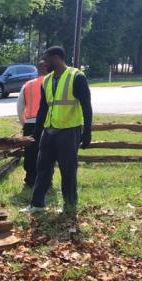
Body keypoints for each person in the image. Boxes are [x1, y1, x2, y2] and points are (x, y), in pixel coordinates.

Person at [21, 46, 93, 214]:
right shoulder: (46, 80)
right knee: (43, 168)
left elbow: (86, 106)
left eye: (47, 59)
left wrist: (87, 131)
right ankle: (37, 204)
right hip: (49, 131)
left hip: (69, 131)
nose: (44, 63)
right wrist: (36, 133)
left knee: (68, 169)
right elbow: (43, 109)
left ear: (56, 58)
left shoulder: (76, 77)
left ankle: (69, 204)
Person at [17, 60, 49, 187]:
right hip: (48, 123)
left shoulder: (28, 85)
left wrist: (23, 123)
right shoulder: (52, 82)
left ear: (37, 70)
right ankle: (46, 179)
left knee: (30, 153)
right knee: (47, 152)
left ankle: (30, 179)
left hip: (30, 123)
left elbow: (20, 106)